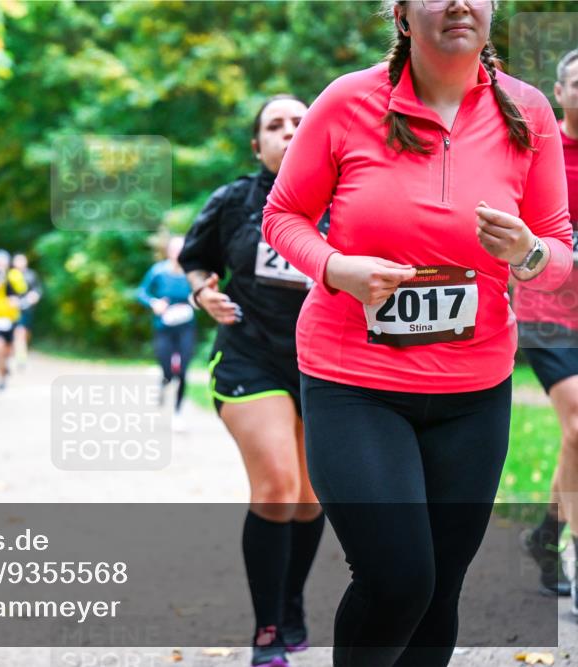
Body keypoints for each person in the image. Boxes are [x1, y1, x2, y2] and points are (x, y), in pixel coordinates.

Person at [262, 1, 572, 664]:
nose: (459, 2)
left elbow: (557, 252)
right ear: (401, 16)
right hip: (355, 382)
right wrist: (336, 267)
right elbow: (283, 215)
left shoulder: (528, 112)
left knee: (439, 592)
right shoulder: (348, 102)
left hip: (474, 391)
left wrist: (528, 252)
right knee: (399, 579)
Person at [179, 94, 327, 667]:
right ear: (256, 144)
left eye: (300, 122)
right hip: (249, 355)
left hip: (323, 362)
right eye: (275, 125)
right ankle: (267, 631)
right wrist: (203, 292)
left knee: (311, 498)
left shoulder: (347, 198)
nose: (289, 131)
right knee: (278, 487)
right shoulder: (234, 201)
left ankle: (290, 603)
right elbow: (195, 259)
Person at [514, 48, 578, 610]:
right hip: (546, 309)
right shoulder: (539, 145)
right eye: (577, 83)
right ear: (559, 92)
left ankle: (546, 533)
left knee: (576, 436)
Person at [137, 236, 196, 433]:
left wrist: (197, 299)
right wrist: (154, 303)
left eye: (182, 249)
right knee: (167, 369)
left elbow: (202, 293)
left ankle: (177, 414)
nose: (178, 253)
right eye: (175, 249)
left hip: (186, 326)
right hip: (164, 327)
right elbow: (141, 292)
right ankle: (164, 381)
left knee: (183, 370)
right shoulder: (158, 271)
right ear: (169, 251)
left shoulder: (192, 273)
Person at [0, 249, 28, 390]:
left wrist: (17, 300)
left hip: (11, 319)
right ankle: (1, 377)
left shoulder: (14, 276)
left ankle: (4, 367)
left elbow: (22, 292)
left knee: (8, 351)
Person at [12, 253, 42, 369]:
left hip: (27, 309)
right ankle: (20, 358)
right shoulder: (10, 275)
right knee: (19, 332)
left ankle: (23, 351)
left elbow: (37, 291)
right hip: (13, 310)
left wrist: (33, 297)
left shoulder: (31, 275)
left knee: (25, 333)